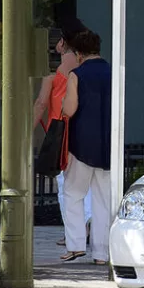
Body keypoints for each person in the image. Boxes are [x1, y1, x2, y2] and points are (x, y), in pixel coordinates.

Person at [33, 19, 93, 248]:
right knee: (83, 183)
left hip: (60, 129)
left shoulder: (60, 68)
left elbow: (41, 102)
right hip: (80, 126)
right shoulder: (84, 60)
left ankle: (74, 231)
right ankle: (85, 227)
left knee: (65, 185)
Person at [59, 28, 112, 264]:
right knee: (103, 200)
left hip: (81, 144)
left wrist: (62, 103)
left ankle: (76, 245)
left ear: (79, 54)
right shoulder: (114, 71)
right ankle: (101, 254)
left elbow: (70, 109)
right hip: (109, 144)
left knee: (73, 193)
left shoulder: (77, 74)